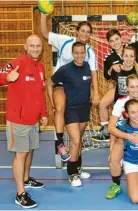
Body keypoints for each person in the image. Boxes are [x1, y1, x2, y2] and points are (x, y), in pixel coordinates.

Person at [40, 13, 99, 161]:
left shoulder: (90, 52)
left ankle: (76, 167)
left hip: (78, 90)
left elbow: (93, 74)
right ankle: (59, 143)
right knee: (60, 107)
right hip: (61, 83)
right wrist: (43, 16)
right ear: (77, 32)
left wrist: (95, 92)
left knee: (77, 138)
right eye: (82, 31)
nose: (85, 34)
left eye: (88, 32)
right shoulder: (65, 41)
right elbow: (45, 33)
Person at [0, 35, 47, 208]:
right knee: (20, 154)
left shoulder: (41, 66)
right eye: (32, 46)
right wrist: (7, 78)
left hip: (33, 119)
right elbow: (0, 76)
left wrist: (43, 112)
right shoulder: (16, 63)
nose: (35, 48)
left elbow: (40, 92)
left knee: (30, 150)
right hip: (18, 119)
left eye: (38, 46)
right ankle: (20, 194)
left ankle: (26, 179)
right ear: (25, 47)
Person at [93, 27, 138, 141]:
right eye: (112, 41)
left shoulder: (131, 48)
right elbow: (107, 76)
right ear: (109, 43)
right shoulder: (109, 58)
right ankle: (106, 129)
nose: (115, 42)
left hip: (137, 85)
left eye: (117, 39)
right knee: (102, 104)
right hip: (121, 85)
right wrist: (111, 68)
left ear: (121, 38)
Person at [51, 42, 93, 187]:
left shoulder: (88, 67)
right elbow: (50, 84)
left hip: (84, 108)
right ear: (72, 53)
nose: (79, 55)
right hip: (70, 109)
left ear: (85, 53)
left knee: (79, 140)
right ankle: (72, 173)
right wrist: (53, 103)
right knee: (75, 140)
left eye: (82, 52)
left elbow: (91, 85)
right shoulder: (65, 70)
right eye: (76, 53)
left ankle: (78, 168)